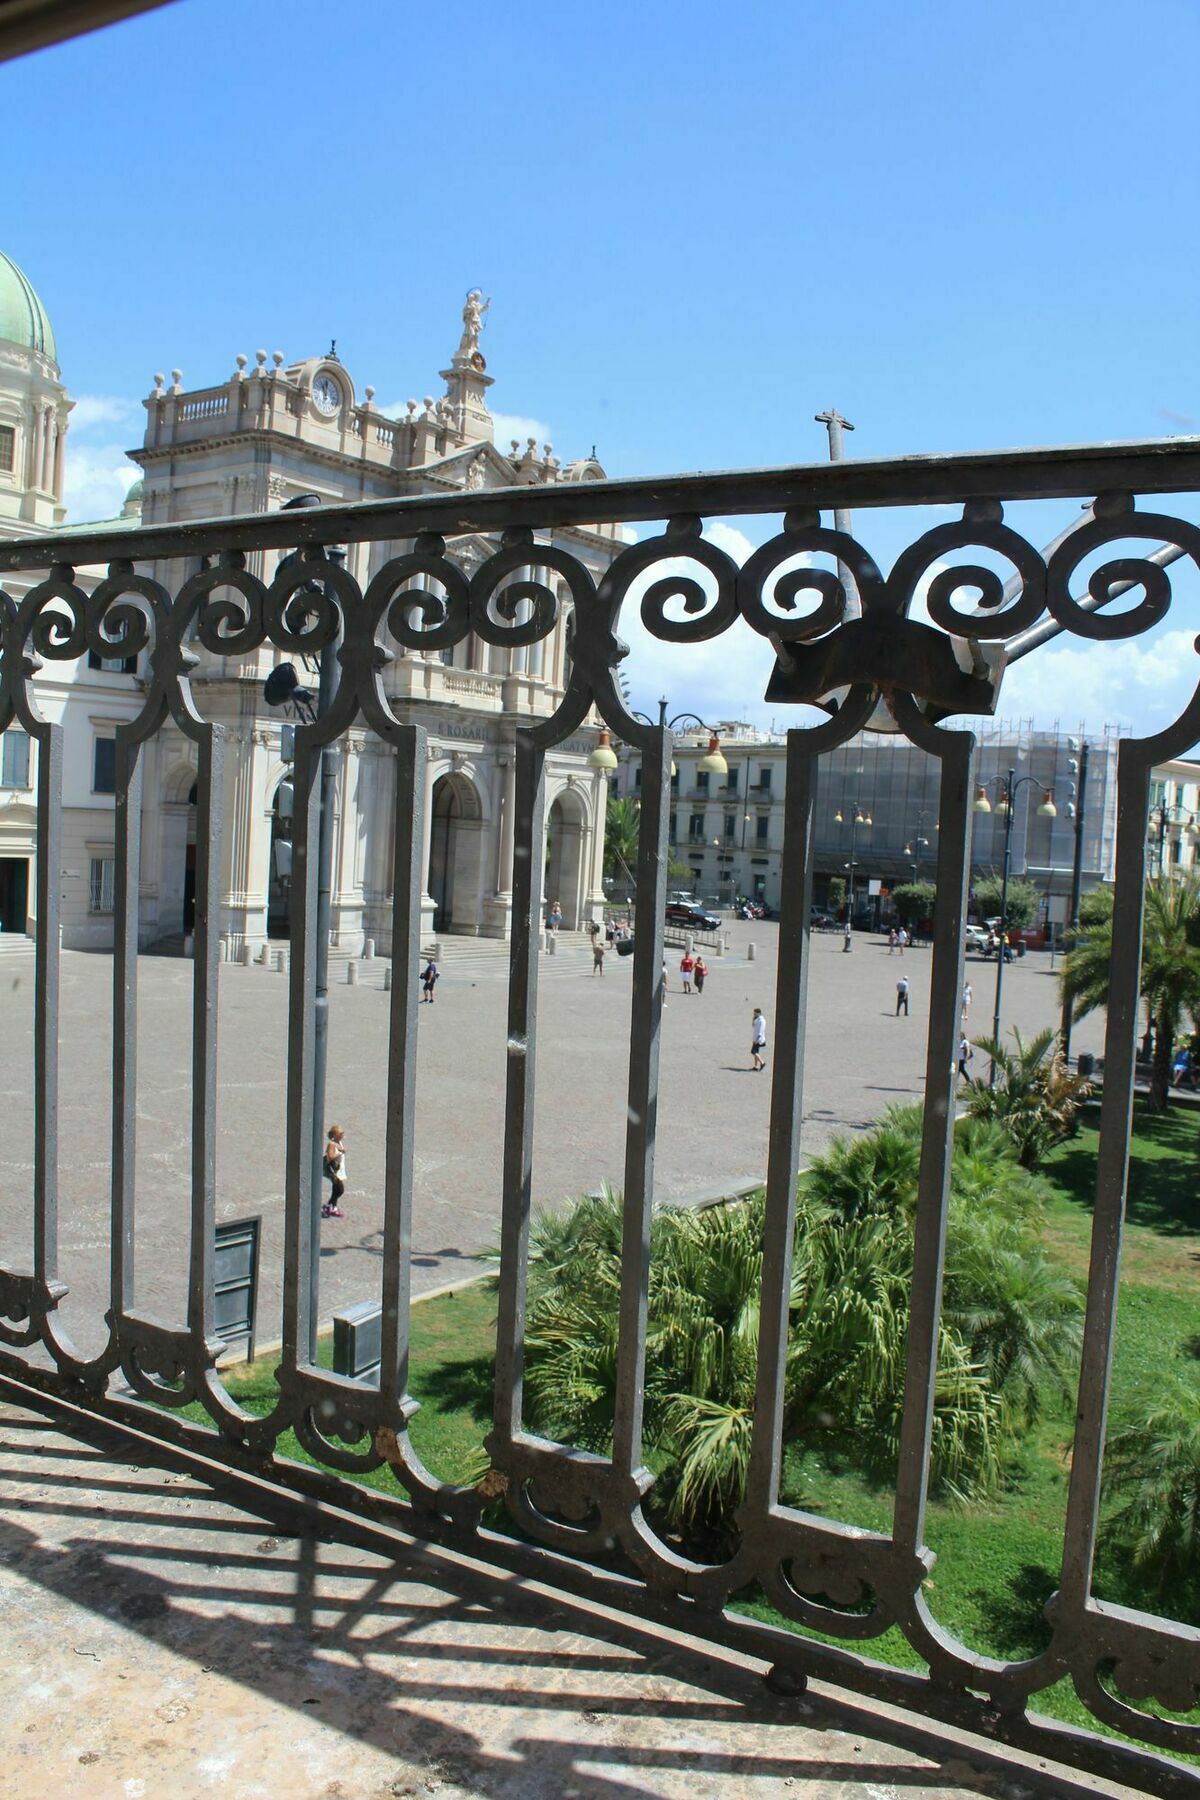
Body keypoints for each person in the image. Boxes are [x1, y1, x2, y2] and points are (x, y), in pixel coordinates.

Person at [322, 1124, 347, 1219]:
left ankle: (333, 1207)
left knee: (336, 1189)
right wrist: (340, 1153)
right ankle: (328, 1206)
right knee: (340, 1189)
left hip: (339, 1170)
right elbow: (330, 1157)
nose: (342, 1134)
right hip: (333, 1171)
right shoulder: (331, 1145)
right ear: (335, 1135)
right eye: (340, 1133)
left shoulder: (339, 1143)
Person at [751, 1006, 767, 1071]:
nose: (754, 1015)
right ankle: (756, 1066)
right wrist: (753, 1019)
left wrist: (757, 1040)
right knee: (756, 1052)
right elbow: (753, 1026)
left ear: (759, 1013)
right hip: (755, 1038)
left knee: (753, 1051)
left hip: (758, 1039)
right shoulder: (757, 1019)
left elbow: (761, 1031)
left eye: (755, 1013)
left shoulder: (762, 1021)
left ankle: (762, 1062)